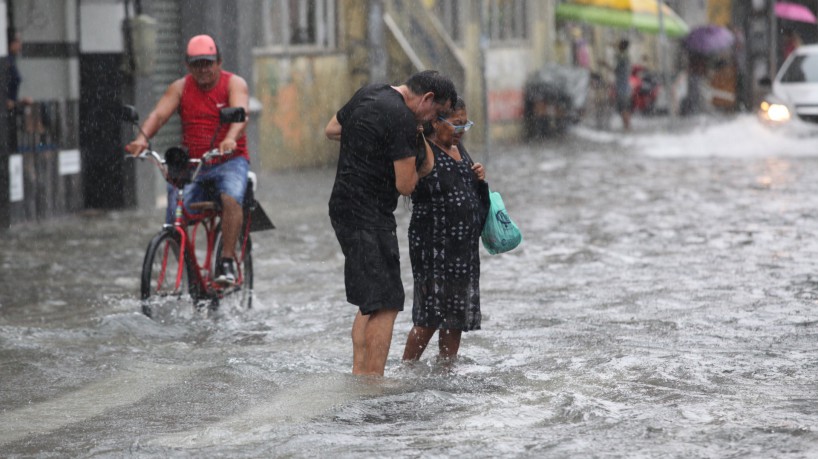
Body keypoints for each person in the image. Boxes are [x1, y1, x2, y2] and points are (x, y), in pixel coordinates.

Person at [324, 70, 457, 376]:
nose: (431, 122)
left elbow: (332, 129)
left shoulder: (370, 92)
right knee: (387, 302)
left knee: (370, 299)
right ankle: (372, 382)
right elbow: (406, 185)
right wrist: (416, 143)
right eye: (436, 113)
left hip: (343, 206)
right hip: (368, 214)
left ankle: (360, 373)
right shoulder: (402, 120)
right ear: (427, 99)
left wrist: (371, 142)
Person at [125, 34, 250, 286]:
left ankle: (226, 260)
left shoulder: (233, 84)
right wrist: (141, 139)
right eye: (196, 64)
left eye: (207, 63)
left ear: (219, 62)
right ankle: (189, 271)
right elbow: (159, 116)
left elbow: (240, 115)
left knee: (231, 197)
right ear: (187, 65)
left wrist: (230, 138)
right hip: (195, 165)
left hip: (229, 161)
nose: (203, 69)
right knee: (174, 216)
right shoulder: (180, 87)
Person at [401, 97, 486, 364]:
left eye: (465, 124)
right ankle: (408, 368)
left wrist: (479, 176)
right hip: (433, 247)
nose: (461, 130)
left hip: (463, 250)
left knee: (456, 314)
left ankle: (446, 369)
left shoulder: (459, 147)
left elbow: (466, 187)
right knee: (430, 314)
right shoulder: (424, 149)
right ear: (436, 122)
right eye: (456, 124)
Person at [614, 39, 632, 131]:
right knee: (625, 108)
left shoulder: (622, 57)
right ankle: (627, 126)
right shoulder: (625, 57)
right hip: (625, 87)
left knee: (623, 108)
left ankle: (627, 126)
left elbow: (616, 71)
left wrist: (605, 65)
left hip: (622, 87)